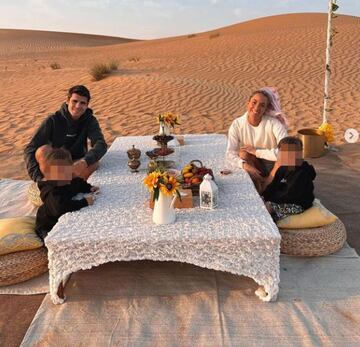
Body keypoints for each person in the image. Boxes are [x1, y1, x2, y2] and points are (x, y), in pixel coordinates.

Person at [24, 85, 107, 182]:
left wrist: (84, 162)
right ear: (67, 101)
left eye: (82, 103)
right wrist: (38, 178)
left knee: (95, 163)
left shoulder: (90, 120)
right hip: (56, 166)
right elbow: (30, 149)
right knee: (42, 150)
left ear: (87, 105)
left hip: (77, 164)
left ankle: (59, 183)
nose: (78, 106)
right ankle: (55, 182)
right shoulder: (53, 120)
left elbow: (100, 143)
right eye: (74, 101)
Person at [226, 87, 288, 190]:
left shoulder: (273, 123)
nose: (257, 108)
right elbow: (230, 153)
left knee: (283, 159)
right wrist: (245, 165)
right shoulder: (237, 124)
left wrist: (257, 152)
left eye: (262, 105)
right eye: (254, 102)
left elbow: (287, 151)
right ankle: (258, 186)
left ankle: (265, 186)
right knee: (243, 154)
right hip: (256, 166)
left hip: (276, 167)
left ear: (266, 109)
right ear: (248, 103)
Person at [35, 147, 99, 240]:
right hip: (49, 225)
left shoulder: (69, 179)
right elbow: (61, 207)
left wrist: (89, 188)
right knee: (55, 240)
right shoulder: (51, 191)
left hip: (65, 218)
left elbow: (78, 183)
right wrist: (84, 202)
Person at [261, 136, 316, 222]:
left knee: (269, 208)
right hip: (281, 199)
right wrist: (264, 196)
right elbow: (273, 185)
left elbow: (290, 194)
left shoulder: (301, 173)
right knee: (261, 201)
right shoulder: (283, 168)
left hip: (297, 204)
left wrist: (271, 200)